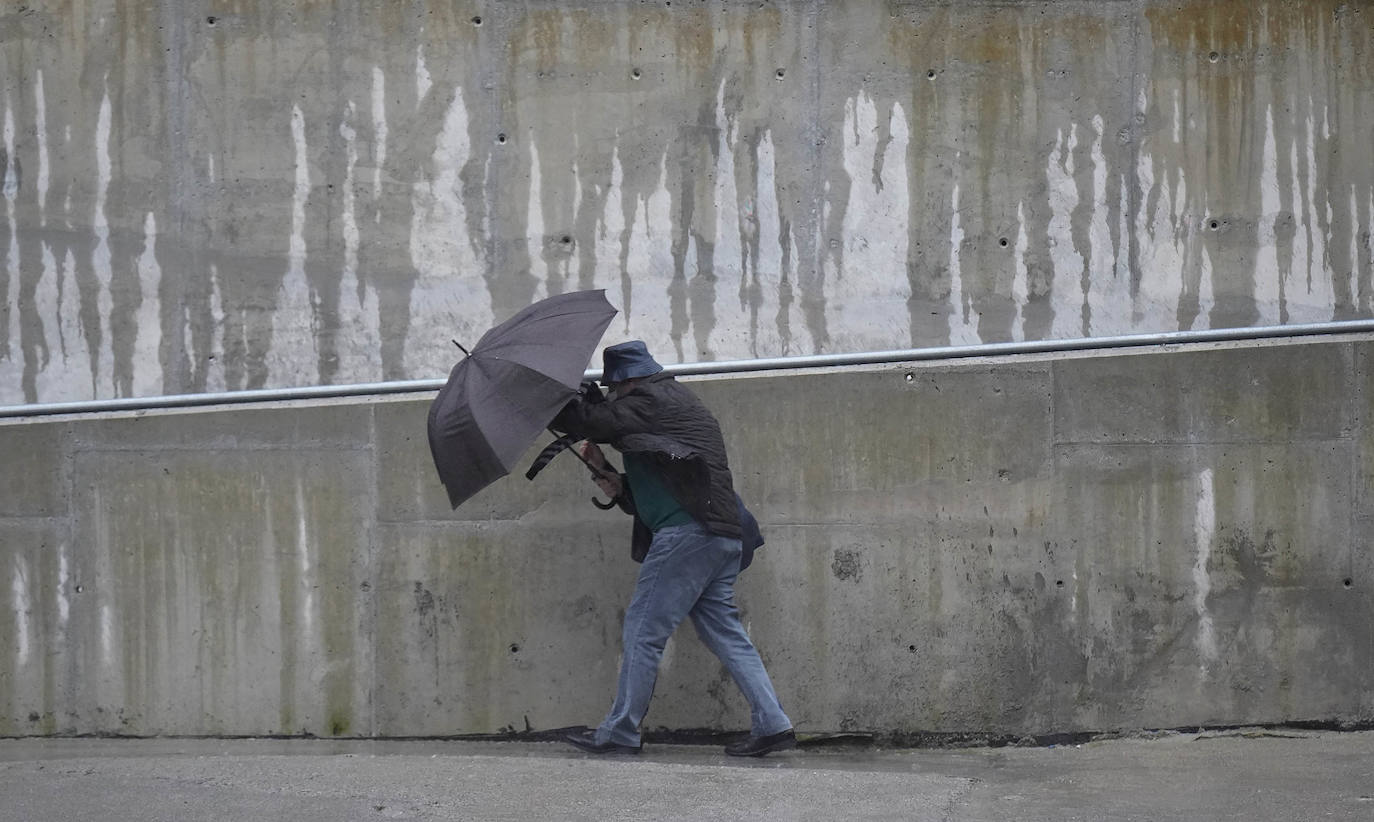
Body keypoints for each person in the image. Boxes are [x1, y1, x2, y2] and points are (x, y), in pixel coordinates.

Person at [551, 340, 795, 757]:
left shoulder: (656, 397)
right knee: (725, 631)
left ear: (630, 381)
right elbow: (659, 491)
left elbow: (594, 421)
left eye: (613, 388)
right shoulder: (657, 415)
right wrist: (609, 477)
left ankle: (620, 731)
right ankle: (773, 723)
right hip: (717, 533)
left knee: (643, 630)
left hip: (690, 535)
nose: (610, 395)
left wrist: (548, 398)